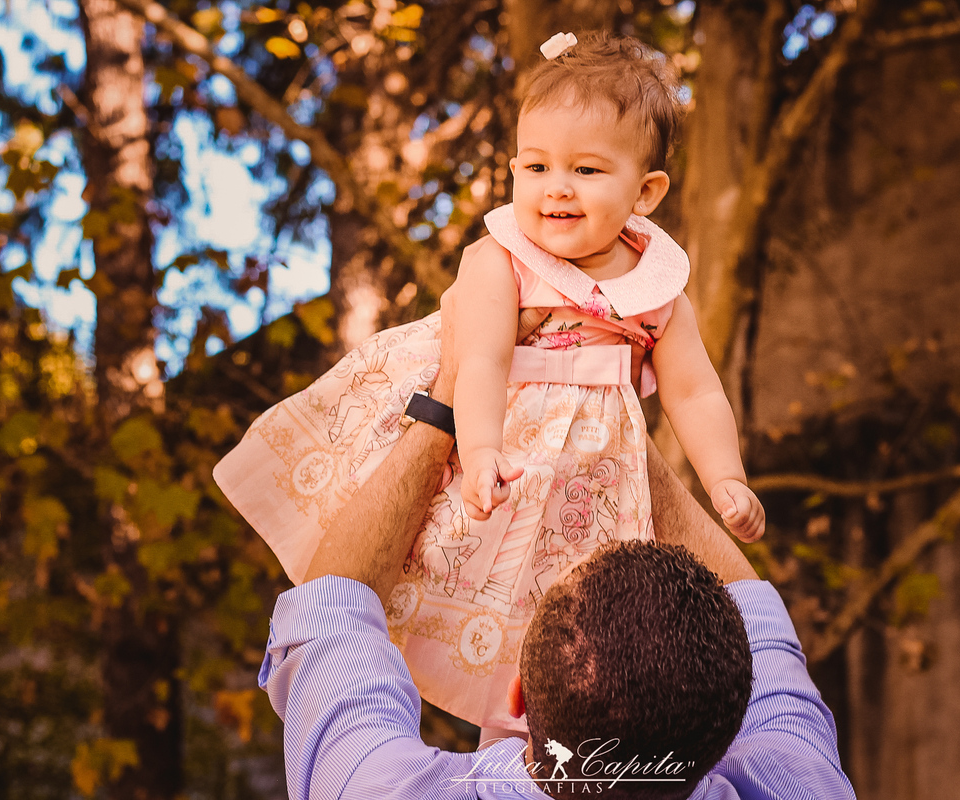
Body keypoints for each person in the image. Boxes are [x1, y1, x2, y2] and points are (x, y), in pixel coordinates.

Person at [216, 31, 766, 734]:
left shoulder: (658, 289)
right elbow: (479, 362)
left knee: (556, 625)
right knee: (429, 567)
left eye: (588, 170)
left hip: (588, 483)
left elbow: (695, 392)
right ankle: (351, 662)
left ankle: (522, 747)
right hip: (490, 443)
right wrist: (477, 453)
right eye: (536, 166)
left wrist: (727, 480)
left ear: (647, 191)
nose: (556, 186)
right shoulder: (500, 259)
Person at [259, 288, 857, 799]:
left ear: (515, 695)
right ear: (731, 725)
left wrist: (453, 386)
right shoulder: (798, 781)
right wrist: (604, 408)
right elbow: (757, 617)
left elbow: (330, 612)